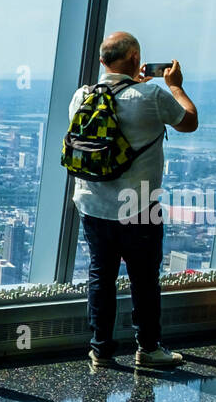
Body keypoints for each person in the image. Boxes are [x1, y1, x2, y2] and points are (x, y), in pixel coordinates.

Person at [69, 31, 198, 370]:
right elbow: (189, 121)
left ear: (102, 62)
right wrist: (176, 86)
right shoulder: (151, 95)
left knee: (101, 275)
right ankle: (148, 348)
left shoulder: (82, 96)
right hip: (139, 205)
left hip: (92, 203)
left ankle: (101, 349)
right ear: (136, 59)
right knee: (143, 278)